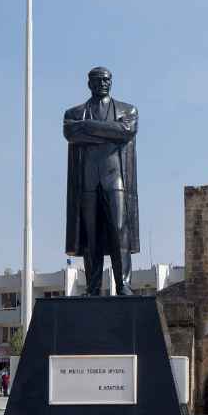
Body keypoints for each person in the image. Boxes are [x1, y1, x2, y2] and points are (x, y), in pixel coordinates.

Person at [63, 66, 139, 296]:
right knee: (91, 236)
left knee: (118, 231)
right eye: (98, 80)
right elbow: (71, 133)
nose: (103, 83)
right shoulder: (74, 113)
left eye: (106, 79)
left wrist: (88, 129)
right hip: (87, 181)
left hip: (114, 179)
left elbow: (126, 131)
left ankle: (122, 284)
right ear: (89, 84)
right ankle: (93, 286)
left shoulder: (128, 109)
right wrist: (108, 132)